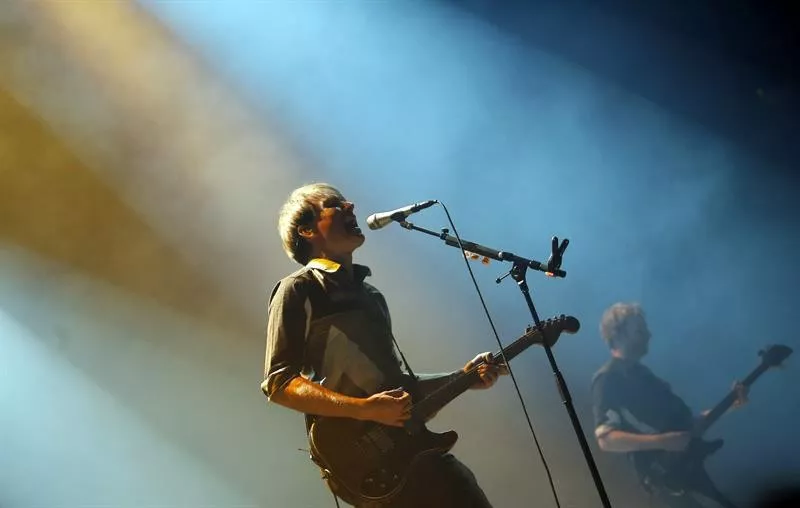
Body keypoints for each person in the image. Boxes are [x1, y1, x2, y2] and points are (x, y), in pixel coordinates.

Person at [261, 183, 507, 508]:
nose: (350, 205)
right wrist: (365, 409)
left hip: (418, 459)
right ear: (306, 230)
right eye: (334, 204)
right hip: (370, 467)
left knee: (460, 484)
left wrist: (462, 378)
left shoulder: (371, 296)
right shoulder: (298, 289)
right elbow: (278, 383)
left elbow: (401, 393)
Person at [591, 302, 749, 508]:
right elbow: (606, 439)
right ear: (618, 335)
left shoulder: (646, 377)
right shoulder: (608, 378)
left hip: (688, 476)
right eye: (640, 330)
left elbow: (688, 427)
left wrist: (730, 404)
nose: (648, 335)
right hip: (665, 484)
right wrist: (662, 441)